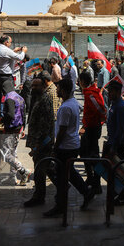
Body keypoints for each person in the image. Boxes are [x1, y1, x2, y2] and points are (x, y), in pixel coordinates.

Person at [43, 78, 96, 217]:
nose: (57, 90)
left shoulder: (66, 107)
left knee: (61, 177)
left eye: (59, 88)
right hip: (71, 145)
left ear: (64, 90)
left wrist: (55, 147)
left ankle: (60, 205)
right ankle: (86, 192)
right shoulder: (72, 103)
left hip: (65, 146)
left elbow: (62, 130)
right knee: (70, 172)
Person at [24, 77, 55, 207]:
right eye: (32, 86)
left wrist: (37, 144)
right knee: (47, 168)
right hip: (38, 142)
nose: (33, 88)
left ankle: (39, 196)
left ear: (43, 86)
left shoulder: (45, 100)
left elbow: (44, 125)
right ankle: (62, 185)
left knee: (39, 170)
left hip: (42, 143)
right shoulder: (37, 99)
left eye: (36, 86)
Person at [0, 79, 31, 186]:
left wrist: (2, 121)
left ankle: (23, 171)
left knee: (6, 154)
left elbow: (10, 115)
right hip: (18, 129)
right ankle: (12, 178)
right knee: (13, 154)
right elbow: (24, 113)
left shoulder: (9, 98)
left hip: (11, 130)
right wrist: (23, 129)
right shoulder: (19, 97)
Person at [79, 71, 106, 194]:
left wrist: (96, 122)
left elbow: (101, 109)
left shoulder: (90, 94)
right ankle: (91, 179)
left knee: (93, 156)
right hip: (91, 127)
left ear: (83, 82)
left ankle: (96, 182)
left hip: (92, 128)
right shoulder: (91, 92)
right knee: (85, 154)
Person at [105, 80, 124, 206]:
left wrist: (114, 147)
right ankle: (119, 194)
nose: (109, 94)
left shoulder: (120, 106)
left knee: (119, 172)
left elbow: (121, 129)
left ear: (117, 92)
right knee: (115, 171)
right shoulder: (115, 104)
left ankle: (123, 196)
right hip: (115, 141)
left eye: (110, 91)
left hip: (120, 143)